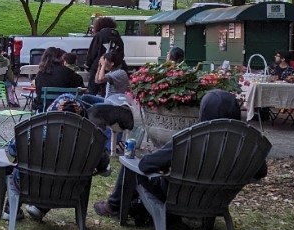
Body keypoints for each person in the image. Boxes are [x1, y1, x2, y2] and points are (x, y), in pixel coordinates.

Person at [94, 90, 267, 218]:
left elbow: (147, 165)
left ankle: (113, 206)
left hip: (177, 197)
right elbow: (261, 171)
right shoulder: (248, 144)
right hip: (217, 199)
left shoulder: (192, 139)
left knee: (131, 166)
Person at [34, 47, 84, 112]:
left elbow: (38, 95)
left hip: (44, 110)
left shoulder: (40, 74)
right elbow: (80, 82)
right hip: (64, 110)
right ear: (61, 58)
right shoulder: (67, 72)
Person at [86, 17, 124, 96]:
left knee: (92, 91)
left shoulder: (99, 35)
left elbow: (92, 52)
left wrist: (88, 65)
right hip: (112, 68)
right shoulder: (118, 37)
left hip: (97, 67)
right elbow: (121, 54)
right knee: (107, 92)